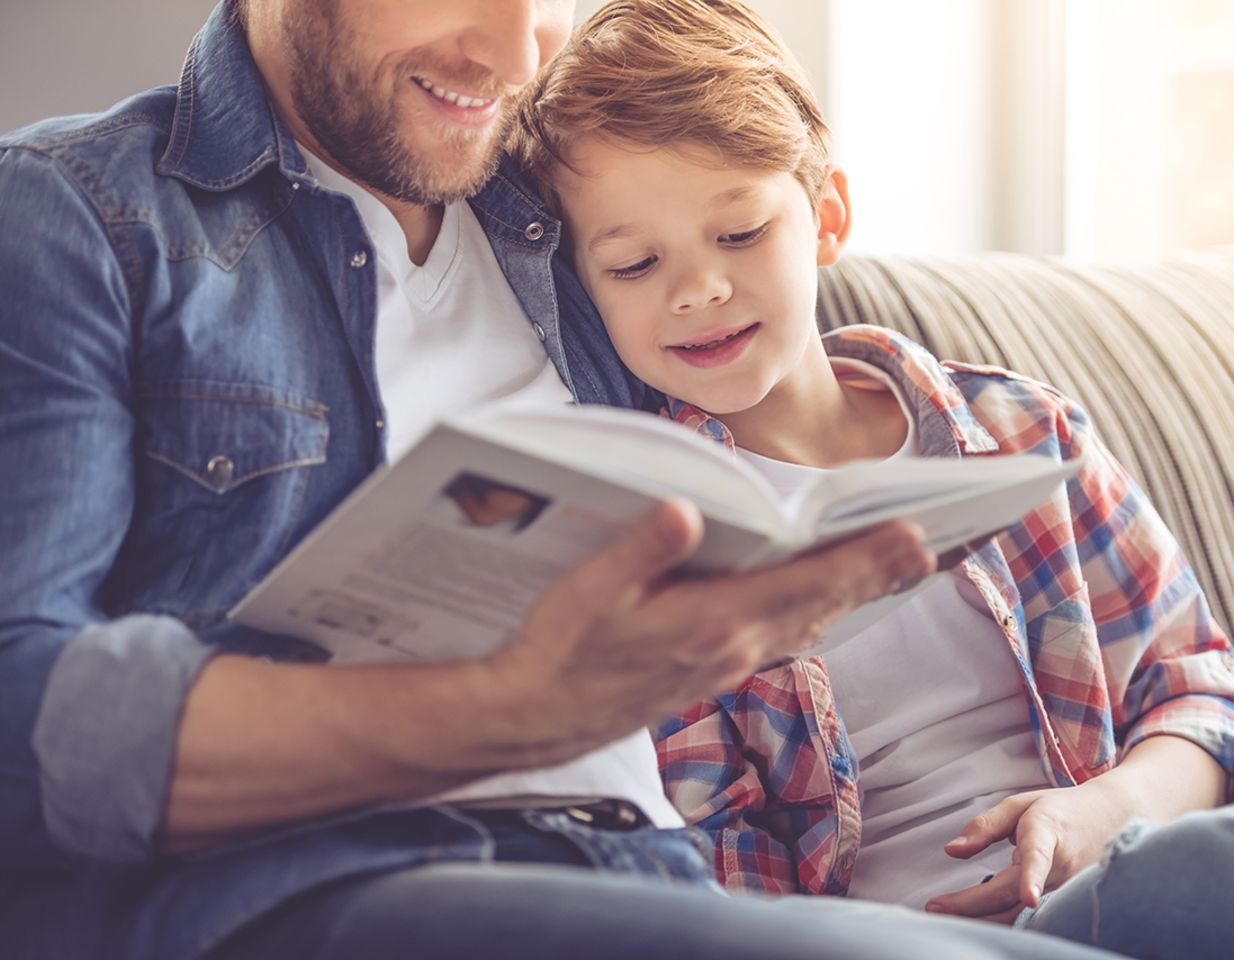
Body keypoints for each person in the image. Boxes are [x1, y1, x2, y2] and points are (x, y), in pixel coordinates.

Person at [0, 2, 1127, 960]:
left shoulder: (571, 217)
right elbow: (18, 713)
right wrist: (511, 711)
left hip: (657, 869)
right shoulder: (80, 218)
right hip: (337, 881)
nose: (519, 52)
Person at [507, 0, 1234, 956]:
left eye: (739, 234)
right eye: (634, 264)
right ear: (585, 288)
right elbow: (720, 878)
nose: (697, 287)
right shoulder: (654, 550)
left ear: (826, 217)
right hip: (944, 933)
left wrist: (1103, 813)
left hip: (1138, 853)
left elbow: (1203, 705)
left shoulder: (1022, 432)